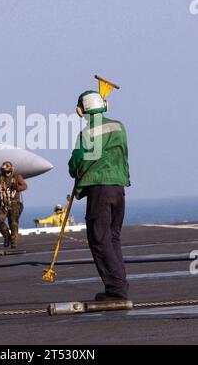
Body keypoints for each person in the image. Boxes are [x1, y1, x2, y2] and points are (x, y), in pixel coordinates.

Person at [68, 90, 130, 301]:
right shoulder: (119, 127)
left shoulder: (86, 134)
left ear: (81, 110)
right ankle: (119, 284)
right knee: (113, 238)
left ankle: (116, 288)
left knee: (99, 238)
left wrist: (76, 166)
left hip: (99, 190)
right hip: (118, 188)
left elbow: (75, 163)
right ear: (104, 106)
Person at [0, 161, 27, 248]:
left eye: (8, 171)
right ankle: (6, 235)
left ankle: (13, 241)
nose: (6, 173)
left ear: (11, 170)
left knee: (13, 223)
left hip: (14, 203)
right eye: (4, 172)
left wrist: (17, 188)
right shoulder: (0, 177)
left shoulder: (17, 177)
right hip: (3, 202)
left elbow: (25, 186)